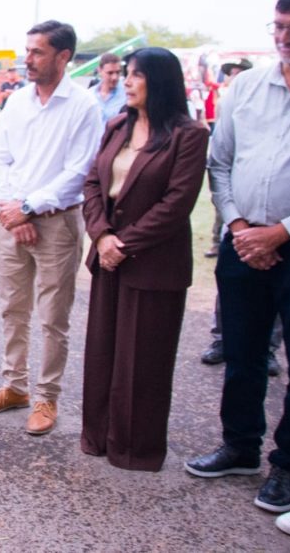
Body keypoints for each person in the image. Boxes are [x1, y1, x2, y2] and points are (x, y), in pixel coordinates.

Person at [186, 0, 290, 515]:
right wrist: (237, 225)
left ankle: (289, 465)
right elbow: (221, 163)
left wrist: (281, 233)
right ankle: (240, 446)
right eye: (278, 27)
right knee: (243, 352)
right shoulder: (247, 87)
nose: (284, 38)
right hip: (243, 240)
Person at [0, 20, 103, 435]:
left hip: (57, 223)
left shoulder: (83, 106)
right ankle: (14, 386)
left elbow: (79, 171)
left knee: (52, 317)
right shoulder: (17, 102)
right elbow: (0, 159)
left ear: (63, 57)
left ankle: (47, 397)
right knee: (13, 308)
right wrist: (14, 211)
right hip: (14, 218)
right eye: (26, 50)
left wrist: (29, 207)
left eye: (37, 52)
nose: (26, 59)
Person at [80, 47, 209, 471]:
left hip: (153, 263)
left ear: (161, 80)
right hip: (108, 258)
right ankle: (98, 437)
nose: (127, 81)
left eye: (136, 74)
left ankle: (135, 449)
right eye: (127, 74)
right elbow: (93, 184)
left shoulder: (189, 135)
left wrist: (122, 244)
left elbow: (176, 204)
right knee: (103, 352)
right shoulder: (118, 125)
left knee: (143, 360)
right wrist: (102, 236)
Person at [89, 53, 127, 124]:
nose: (115, 77)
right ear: (100, 71)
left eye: (118, 72)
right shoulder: (89, 95)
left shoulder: (127, 94)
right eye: (110, 73)